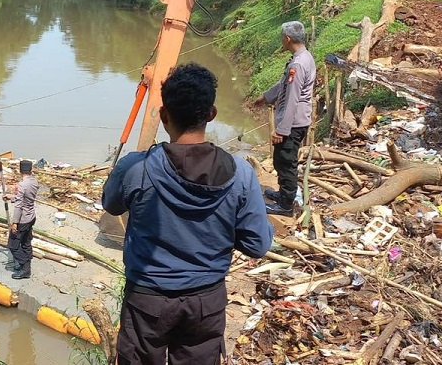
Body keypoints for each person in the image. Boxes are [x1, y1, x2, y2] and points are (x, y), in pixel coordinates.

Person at [102, 62, 273, 365]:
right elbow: (257, 244)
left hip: (147, 301)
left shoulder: (136, 168)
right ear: (211, 114)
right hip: (205, 303)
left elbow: (111, 204)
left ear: (164, 115)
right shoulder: (242, 174)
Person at [253, 20, 316, 216]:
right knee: (281, 160)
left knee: (286, 163)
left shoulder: (297, 64)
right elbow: (283, 85)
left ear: (287, 39)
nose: (281, 41)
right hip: (296, 121)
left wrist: (281, 129)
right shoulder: (303, 57)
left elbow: (292, 99)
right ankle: (282, 194)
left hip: (293, 122)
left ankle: (286, 206)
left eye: (282, 38)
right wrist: (266, 96)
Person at [3, 159, 38, 279]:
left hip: (22, 219)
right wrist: (12, 197)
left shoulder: (22, 185)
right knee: (26, 243)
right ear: (31, 170)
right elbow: (25, 198)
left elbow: (19, 205)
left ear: (20, 170)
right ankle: (27, 263)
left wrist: (15, 223)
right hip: (31, 216)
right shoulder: (34, 182)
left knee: (13, 245)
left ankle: (25, 267)